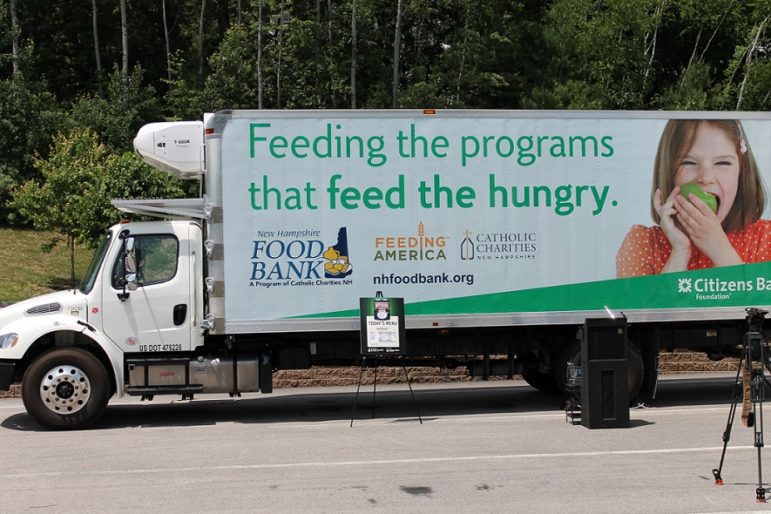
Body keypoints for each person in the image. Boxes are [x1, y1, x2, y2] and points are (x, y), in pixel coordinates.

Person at [616, 119, 771, 278]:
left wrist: (721, 251)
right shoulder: (642, 244)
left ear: (741, 170)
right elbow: (639, 303)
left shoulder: (766, 239)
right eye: (689, 162)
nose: (706, 177)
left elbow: (761, 303)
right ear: (669, 172)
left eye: (723, 162)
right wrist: (680, 250)